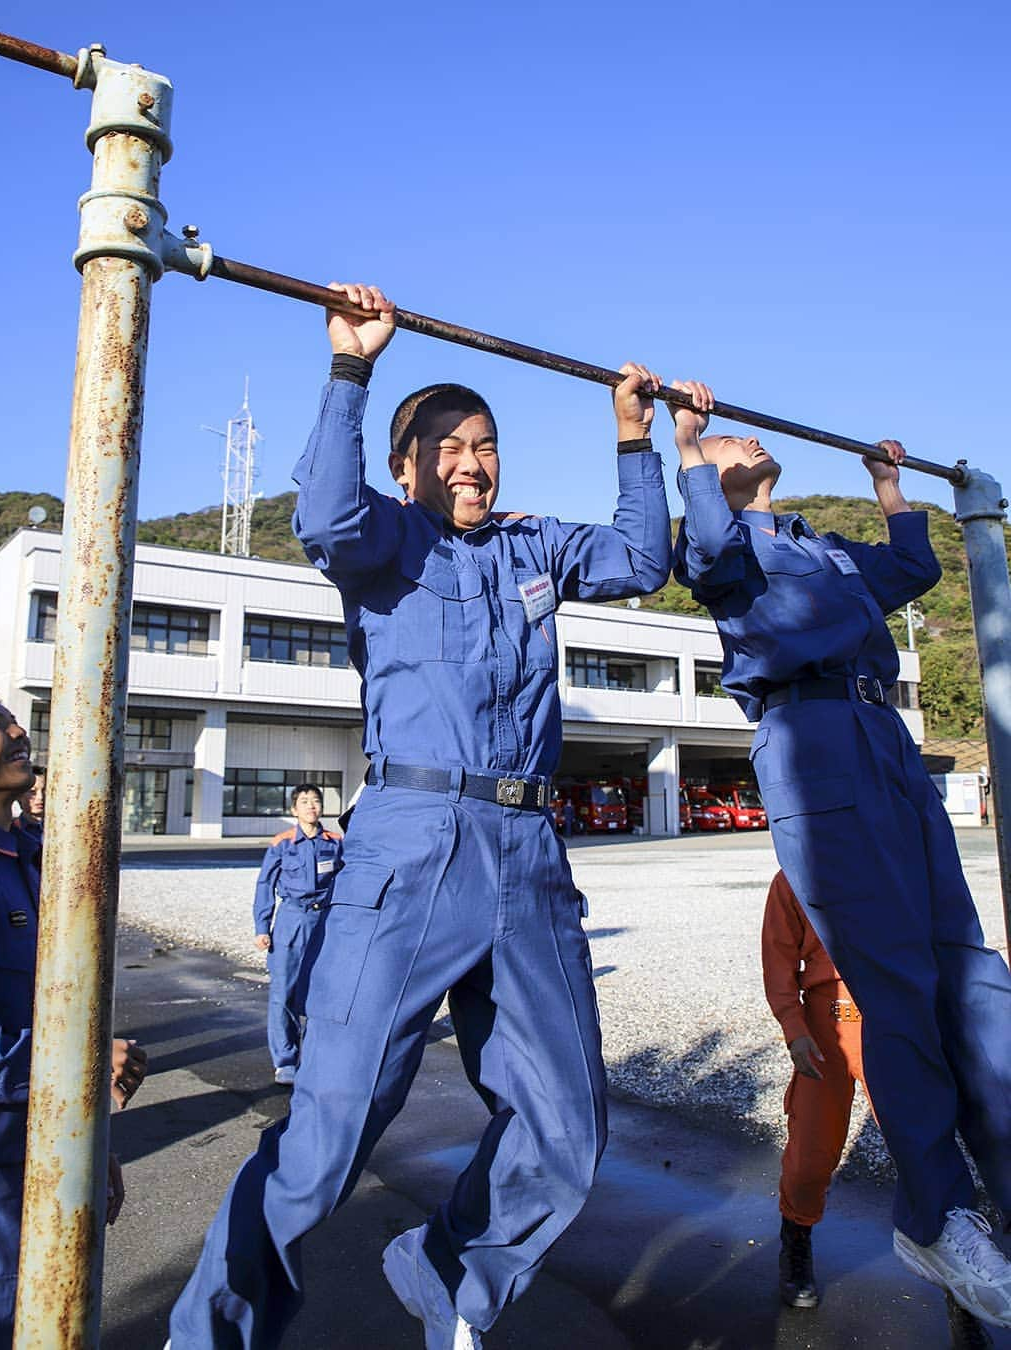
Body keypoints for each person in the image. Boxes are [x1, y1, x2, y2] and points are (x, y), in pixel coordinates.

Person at [167, 283, 673, 1349]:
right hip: (413, 846)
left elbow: (639, 561)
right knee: (331, 1132)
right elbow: (321, 515)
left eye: (483, 445)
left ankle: (450, 1274)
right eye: (445, 447)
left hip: (530, 856)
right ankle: (208, 1335)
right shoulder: (387, 544)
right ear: (408, 468)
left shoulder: (533, 551)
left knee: (566, 1128)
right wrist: (352, 372)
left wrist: (635, 440)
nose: (470, 464)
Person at [670, 382, 1011, 1330]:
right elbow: (699, 547)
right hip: (811, 739)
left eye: (735, 432)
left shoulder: (820, 544)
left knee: (969, 970)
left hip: (884, 738)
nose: (748, 433)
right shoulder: (725, 552)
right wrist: (689, 445)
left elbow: (912, 575)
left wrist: (891, 489)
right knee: (896, 981)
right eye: (731, 440)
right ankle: (938, 1214)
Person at [0, 679, 148, 1347]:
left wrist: (90, 1141)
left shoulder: (32, 860)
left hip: (44, 1158)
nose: (20, 731)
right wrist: (76, 1068)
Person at [762, 870, 994, 1349]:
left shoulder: (894, 862)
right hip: (823, 1028)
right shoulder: (793, 876)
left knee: (925, 1158)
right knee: (809, 1156)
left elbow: (940, 942)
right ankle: (796, 1246)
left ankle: (961, 1297)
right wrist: (792, 1025)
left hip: (893, 1026)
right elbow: (779, 956)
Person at [252, 782, 343, 1086]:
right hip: (291, 920)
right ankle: (286, 1060)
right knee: (284, 993)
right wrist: (262, 928)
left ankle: (319, 1057)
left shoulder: (335, 842)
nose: (311, 806)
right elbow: (265, 885)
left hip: (325, 922)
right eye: (304, 802)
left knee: (325, 992)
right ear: (294, 810)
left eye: (315, 801)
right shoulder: (282, 843)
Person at [16, 762, 46, 837]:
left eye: (45, 790)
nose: (40, 797)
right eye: (32, 791)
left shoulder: (63, 829)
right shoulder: (11, 830)